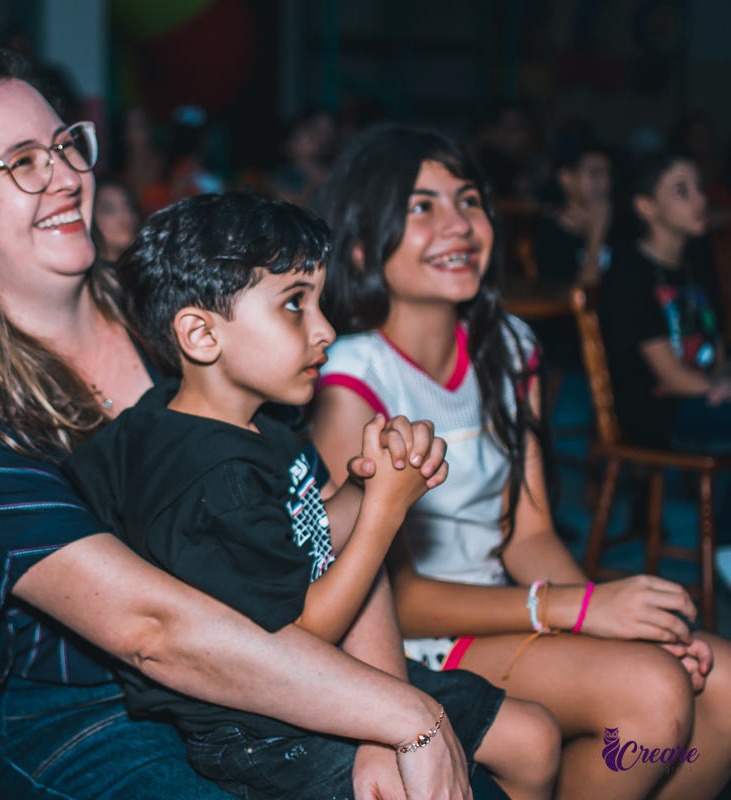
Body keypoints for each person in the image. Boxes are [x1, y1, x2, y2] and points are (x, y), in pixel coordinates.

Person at [0, 48, 527, 800]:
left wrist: (372, 714)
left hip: (282, 658)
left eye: (68, 144)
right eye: (22, 162)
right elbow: (154, 631)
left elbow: (309, 527)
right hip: (90, 709)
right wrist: (396, 716)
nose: (67, 175)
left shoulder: (182, 312)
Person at [62, 190, 560, 800]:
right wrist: (384, 513)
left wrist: (367, 482)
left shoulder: (252, 425)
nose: (324, 329)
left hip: (322, 675)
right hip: (266, 725)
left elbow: (311, 529)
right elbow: (307, 631)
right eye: (295, 304)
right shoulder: (212, 480)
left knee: (533, 738)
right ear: (199, 334)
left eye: (319, 301)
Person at [308, 124, 731, 799]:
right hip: (411, 646)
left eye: (470, 200)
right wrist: (579, 609)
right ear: (362, 243)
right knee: (653, 695)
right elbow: (393, 600)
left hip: (506, 608)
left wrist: (604, 616)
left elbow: (529, 534)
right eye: (423, 207)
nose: (460, 225)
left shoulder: (509, 344)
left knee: (726, 682)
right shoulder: (350, 382)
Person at [599, 151, 730, 453]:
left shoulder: (697, 258)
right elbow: (671, 377)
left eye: (699, 187)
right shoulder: (628, 273)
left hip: (705, 397)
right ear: (647, 207)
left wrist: (723, 382)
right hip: (658, 411)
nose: (700, 199)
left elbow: (718, 351)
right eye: (681, 191)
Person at [528, 134, 614, 372]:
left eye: (608, 175)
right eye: (595, 174)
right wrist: (597, 233)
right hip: (570, 357)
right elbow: (580, 301)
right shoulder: (548, 236)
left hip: (617, 349)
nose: (606, 185)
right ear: (567, 179)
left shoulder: (621, 228)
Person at [92, 177, 140, 266]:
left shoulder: (144, 271)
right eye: (109, 209)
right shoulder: (86, 278)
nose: (126, 215)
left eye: (128, 205)